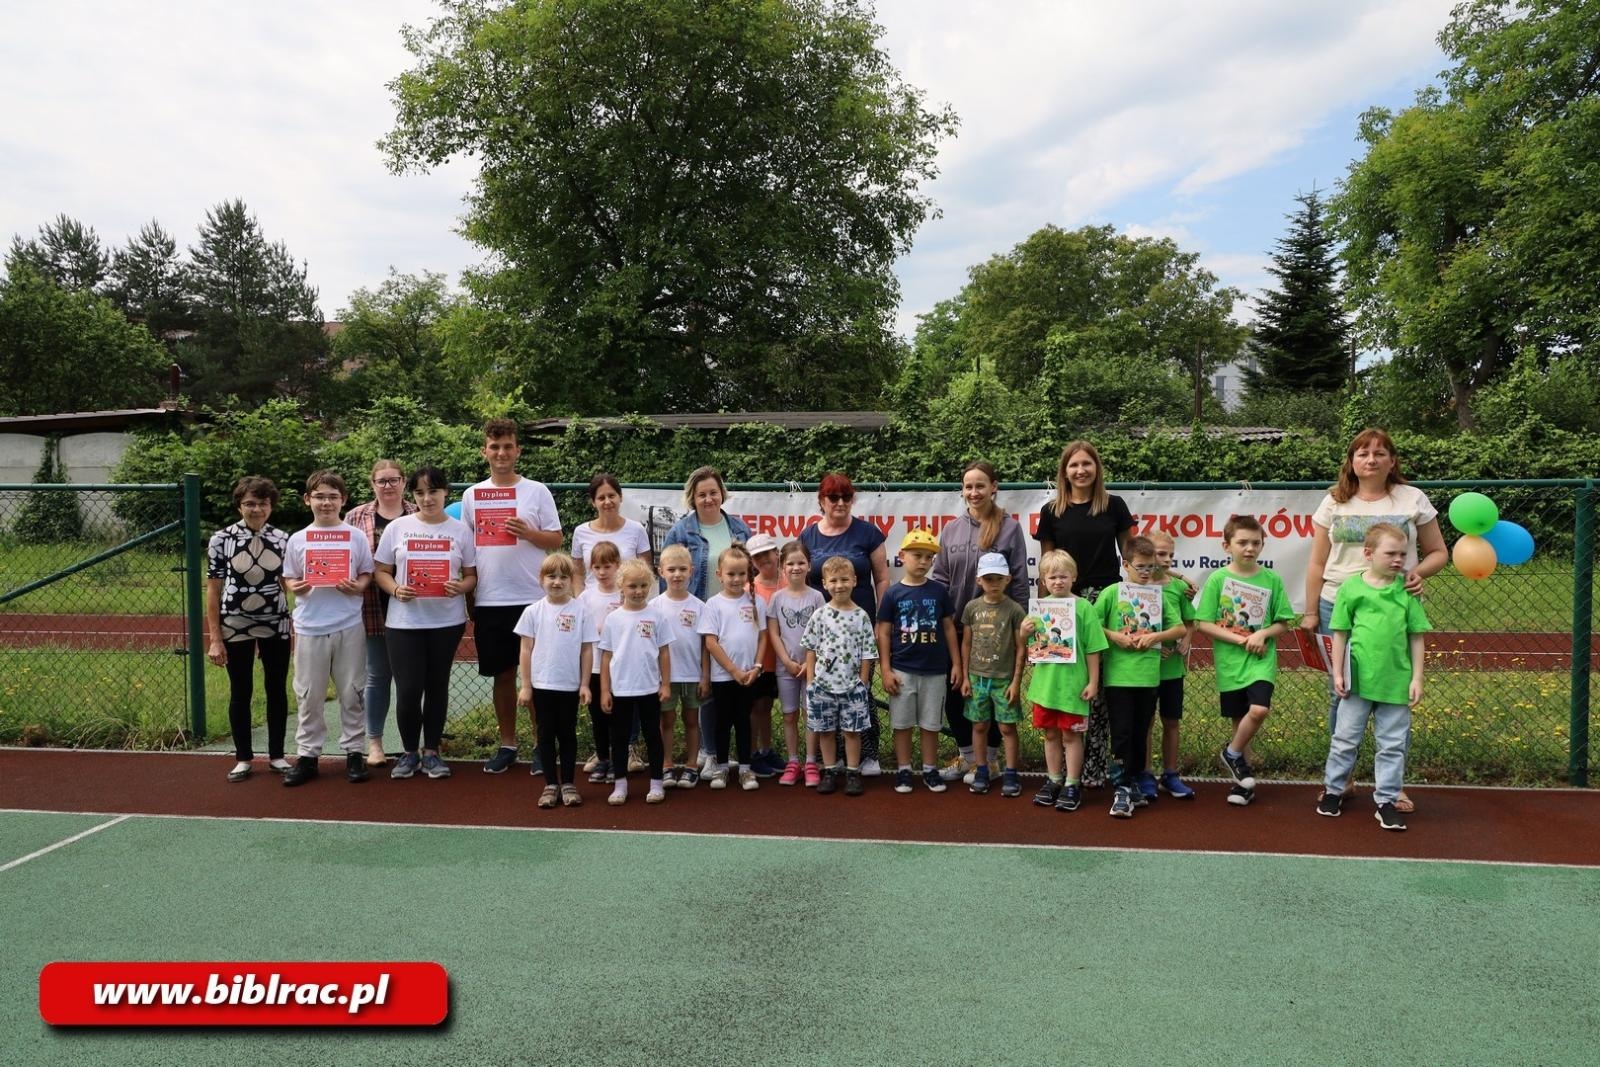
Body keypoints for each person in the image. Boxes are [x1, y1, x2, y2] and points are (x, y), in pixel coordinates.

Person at [1302, 427, 1446, 814]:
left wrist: (1419, 574)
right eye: (1363, 453)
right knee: (1342, 692)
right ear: (1351, 461)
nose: (1371, 459)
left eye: (1380, 453)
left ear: (1391, 461)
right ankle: (1342, 780)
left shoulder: (1412, 498)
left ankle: (1392, 788)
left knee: (1395, 692)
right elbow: (1317, 562)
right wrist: (1312, 610)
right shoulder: (1334, 501)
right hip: (1338, 604)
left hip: (1393, 608)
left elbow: (1437, 552)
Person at [460, 418, 563, 776]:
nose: (501, 453)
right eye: (494, 446)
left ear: (518, 450)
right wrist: (471, 594)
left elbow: (556, 540)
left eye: (508, 446)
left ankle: (541, 744)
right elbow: (468, 548)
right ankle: (507, 745)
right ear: (484, 451)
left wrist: (530, 532)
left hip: (533, 600)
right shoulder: (472, 495)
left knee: (538, 677)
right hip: (491, 599)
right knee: (503, 676)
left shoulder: (537, 491)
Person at [1318, 523, 1431, 831]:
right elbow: (1339, 632)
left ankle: (1386, 801)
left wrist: (1417, 678)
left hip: (1395, 683)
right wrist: (1338, 672)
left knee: (1392, 744)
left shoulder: (1408, 592)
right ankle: (1333, 789)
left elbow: (1417, 636)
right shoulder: (1352, 588)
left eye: (1403, 554)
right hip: (1358, 683)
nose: (1398, 560)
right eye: (1390, 553)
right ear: (1368, 554)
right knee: (1344, 740)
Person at [1036, 440, 1135, 790]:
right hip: (1064, 606)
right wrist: (1043, 614)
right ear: (1064, 471)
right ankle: (1058, 775)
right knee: (1065, 689)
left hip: (1106, 601)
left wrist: (1169, 581)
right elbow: (1046, 566)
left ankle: (1092, 771)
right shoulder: (1052, 512)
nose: (1080, 470)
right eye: (1074, 465)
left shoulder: (1115, 506)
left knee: (1096, 690)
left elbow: (1133, 556)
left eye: (1086, 464)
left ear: (1097, 468)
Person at [373, 466, 477, 782]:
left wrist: (461, 587)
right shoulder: (398, 528)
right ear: (412, 495)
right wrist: (395, 589)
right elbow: (380, 571)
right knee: (408, 689)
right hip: (404, 622)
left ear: (446, 492)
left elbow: (472, 575)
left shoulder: (460, 530)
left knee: (436, 686)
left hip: (446, 621)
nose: (427, 498)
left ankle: (431, 752)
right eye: (419, 492)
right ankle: (408, 753)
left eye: (433, 491)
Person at [930, 460, 1029, 784]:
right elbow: (942, 577)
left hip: (998, 631)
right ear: (963, 490)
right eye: (968, 486)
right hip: (956, 626)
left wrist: (1020, 631)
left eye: (980, 485)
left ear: (994, 487)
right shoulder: (950, 529)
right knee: (958, 693)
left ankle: (992, 760)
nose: (974, 492)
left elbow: (1018, 582)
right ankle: (968, 758)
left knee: (996, 694)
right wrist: (941, 619)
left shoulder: (1010, 528)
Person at [1195, 516, 1299, 807]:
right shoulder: (1218, 579)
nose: (1249, 548)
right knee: (1240, 723)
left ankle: (1230, 754)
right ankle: (1243, 783)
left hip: (1260, 661)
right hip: (1230, 663)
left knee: (1259, 709)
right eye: (1242, 542)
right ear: (1226, 545)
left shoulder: (1271, 579)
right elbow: (1203, 623)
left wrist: (1262, 634)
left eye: (1256, 543)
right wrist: (1242, 639)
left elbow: (1283, 622)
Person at [280, 470, 375, 787]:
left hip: (348, 625)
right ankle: (308, 756)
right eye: (319, 496)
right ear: (308, 500)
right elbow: (289, 578)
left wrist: (356, 587)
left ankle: (354, 753)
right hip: (310, 627)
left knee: (353, 692)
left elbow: (365, 574)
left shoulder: (355, 536)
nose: (326, 502)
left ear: (343, 500)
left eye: (333, 496)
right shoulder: (298, 539)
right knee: (309, 695)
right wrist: (298, 587)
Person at [661, 466, 752, 773]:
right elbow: (669, 580)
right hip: (697, 616)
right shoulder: (680, 531)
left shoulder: (739, 529)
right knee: (705, 688)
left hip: (733, 618)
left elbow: (748, 571)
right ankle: (708, 752)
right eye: (701, 494)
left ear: (722, 493)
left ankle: (724, 754)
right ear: (692, 498)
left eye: (713, 492)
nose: (708, 498)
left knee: (727, 691)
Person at [799, 473, 890, 775]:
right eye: (832, 497)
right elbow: (800, 579)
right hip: (825, 633)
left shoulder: (869, 534)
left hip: (859, 629)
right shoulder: (808, 537)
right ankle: (834, 760)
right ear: (821, 501)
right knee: (828, 696)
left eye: (846, 497)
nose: (840, 503)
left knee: (860, 693)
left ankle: (869, 754)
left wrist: (882, 621)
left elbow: (883, 579)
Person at [207, 476, 292, 782]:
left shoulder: (284, 540)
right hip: (235, 623)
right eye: (250, 503)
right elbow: (213, 591)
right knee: (240, 690)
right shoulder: (222, 539)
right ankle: (243, 758)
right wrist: (215, 639)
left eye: (263, 503)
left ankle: (278, 756)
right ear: (239, 505)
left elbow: (290, 584)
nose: (257, 509)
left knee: (277, 689)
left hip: (277, 622)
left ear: (271, 506)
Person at [1095, 537, 1186, 818]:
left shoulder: (1157, 596)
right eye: (1140, 567)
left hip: (1149, 678)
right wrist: (1116, 637)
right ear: (1125, 565)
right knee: (1122, 733)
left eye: (1150, 567)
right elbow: (1093, 626)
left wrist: (1155, 636)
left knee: (1138, 733)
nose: (1146, 573)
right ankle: (1120, 787)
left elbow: (1180, 629)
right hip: (1120, 678)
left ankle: (1133, 780)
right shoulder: (1112, 593)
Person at [343, 460, 417, 768]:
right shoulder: (356, 516)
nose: (388, 486)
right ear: (372, 484)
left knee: (411, 680)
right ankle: (374, 742)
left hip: (415, 608)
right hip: (373, 606)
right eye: (381, 481)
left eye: (393, 480)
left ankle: (411, 744)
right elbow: (347, 557)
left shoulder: (417, 513)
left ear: (403, 482)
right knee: (377, 676)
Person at [876, 528, 959, 794]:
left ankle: (930, 768)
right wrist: (886, 669)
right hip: (902, 669)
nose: (923, 561)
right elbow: (884, 632)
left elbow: (948, 629)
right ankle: (903, 769)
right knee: (901, 723)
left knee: (930, 723)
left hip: (934, 671)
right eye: (917, 555)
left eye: (928, 557)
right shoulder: (893, 593)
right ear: (902, 556)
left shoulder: (938, 591)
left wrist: (956, 664)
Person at [1022, 551, 1107, 813]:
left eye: (1063, 576)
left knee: (1071, 736)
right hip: (1045, 686)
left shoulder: (1084, 608)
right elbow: (1031, 648)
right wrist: (1023, 633)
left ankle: (1072, 783)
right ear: (1044, 581)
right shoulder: (1039, 609)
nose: (1058, 581)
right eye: (1052, 577)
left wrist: (1093, 682)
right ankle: (1053, 779)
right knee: (1050, 735)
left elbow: (1094, 648)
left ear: (1074, 577)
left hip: (1072, 686)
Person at [516, 553, 593, 809]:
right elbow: (525, 650)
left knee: (568, 734)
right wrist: (526, 686)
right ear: (541, 579)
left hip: (569, 686)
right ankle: (550, 784)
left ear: (571, 580)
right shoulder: (533, 612)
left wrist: (584, 684)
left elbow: (586, 649)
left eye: (563, 577)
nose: (557, 582)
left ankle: (569, 782)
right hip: (541, 686)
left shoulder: (581, 610)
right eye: (551, 576)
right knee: (545, 734)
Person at [598, 558, 674, 805]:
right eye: (632, 586)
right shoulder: (613, 619)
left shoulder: (657, 616)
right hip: (620, 690)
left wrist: (665, 684)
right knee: (619, 738)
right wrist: (605, 690)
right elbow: (606, 656)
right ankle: (620, 784)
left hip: (649, 688)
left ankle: (656, 783)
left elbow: (664, 652)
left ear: (651, 585)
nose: (638, 591)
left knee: (653, 735)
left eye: (643, 585)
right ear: (621, 586)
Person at [803, 555, 879, 797]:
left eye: (845, 579)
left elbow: (868, 652)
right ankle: (829, 770)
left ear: (855, 581)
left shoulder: (861, 616)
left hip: (852, 687)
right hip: (823, 686)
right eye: (833, 580)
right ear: (824, 583)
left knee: (852, 732)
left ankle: (853, 772)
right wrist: (811, 682)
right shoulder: (820, 615)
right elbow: (811, 649)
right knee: (825, 731)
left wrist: (863, 683)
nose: (839, 585)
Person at [697, 544, 767, 791]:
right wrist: (734, 671)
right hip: (723, 677)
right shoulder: (713, 605)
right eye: (731, 574)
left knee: (744, 721)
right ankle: (722, 768)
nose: (736, 579)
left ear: (749, 574)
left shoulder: (756, 602)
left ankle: (746, 770)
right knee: (723, 722)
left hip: (749, 676)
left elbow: (762, 637)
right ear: (719, 575)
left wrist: (756, 667)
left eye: (741, 574)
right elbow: (710, 643)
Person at [960, 553, 1028, 797]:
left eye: (998, 578)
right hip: (977, 679)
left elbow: (1022, 647)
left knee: (1007, 728)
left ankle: (1010, 772)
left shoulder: (1015, 610)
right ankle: (981, 769)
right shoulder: (972, 608)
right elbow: (966, 644)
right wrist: (966, 677)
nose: (994, 583)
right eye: (988, 578)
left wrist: (1016, 681)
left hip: (1004, 681)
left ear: (1008, 579)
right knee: (979, 725)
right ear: (979, 580)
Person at [1144, 530, 1197, 800]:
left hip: (1172, 670)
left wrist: (1186, 639)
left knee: (1171, 721)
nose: (1165, 560)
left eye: (1170, 555)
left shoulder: (1178, 589)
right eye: (1160, 554)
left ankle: (1171, 774)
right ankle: (1145, 774)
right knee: (1146, 723)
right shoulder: (1137, 587)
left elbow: (1189, 622)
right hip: (1144, 671)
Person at [767, 539, 824, 786]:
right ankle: (793, 761)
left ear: (809, 566)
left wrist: (809, 664)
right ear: (782, 567)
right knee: (789, 715)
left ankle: (811, 762)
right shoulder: (777, 599)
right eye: (790, 563)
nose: (796, 567)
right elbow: (773, 633)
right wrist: (787, 661)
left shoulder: (817, 597)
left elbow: (824, 634)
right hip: (786, 668)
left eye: (801, 562)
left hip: (813, 668)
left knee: (810, 714)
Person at [651, 544, 706, 788]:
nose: (677, 574)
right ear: (660, 571)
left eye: (682, 569)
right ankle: (667, 765)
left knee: (692, 720)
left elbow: (706, 646)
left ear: (691, 570)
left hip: (693, 675)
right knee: (667, 721)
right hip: (665, 678)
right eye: (671, 569)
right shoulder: (653, 607)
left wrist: (705, 676)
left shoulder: (700, 607)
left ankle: (692, 765)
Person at [578, 540, 625, 783]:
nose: (602, 572)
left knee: (618, 716)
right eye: (597, 567)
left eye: (607, 566)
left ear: (617, 565)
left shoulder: (626, 593)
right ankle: (603, 759)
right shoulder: (586, 597)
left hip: (620, 668)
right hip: (595, 667)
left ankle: (619, 761)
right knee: (598, 716)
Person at [745, 533, 785, 776]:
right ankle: (751, 754)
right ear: (752, 562)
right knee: (754, 706)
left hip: (783, 659)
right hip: (759, 658)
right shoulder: (750, 589)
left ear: (777, 554)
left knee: (767, 706)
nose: (763, 559)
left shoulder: (790, 582)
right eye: (757, 557)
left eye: (767, 553)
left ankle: (766, 750)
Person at [571, 472, 652, 587]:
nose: (607, 502)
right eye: (601, 498)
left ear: (621, 497)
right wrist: (580, 599)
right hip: (591, 603)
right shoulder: (580, 532)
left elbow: (646, 571)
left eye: (611, 495)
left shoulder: (637, 529)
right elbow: (577, 573)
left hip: (627, 602)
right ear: (593, 502)